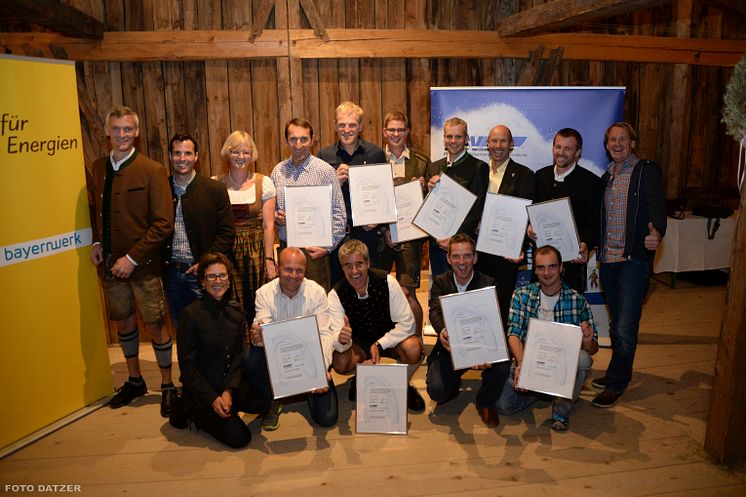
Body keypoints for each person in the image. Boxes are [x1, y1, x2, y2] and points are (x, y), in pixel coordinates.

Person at [86, 105, 175, 416]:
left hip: (143, 268)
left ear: (136, 132)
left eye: (127, 129)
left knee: (155, 325)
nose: (121, 135)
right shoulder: (98, 168)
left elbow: (163, 224)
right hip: (110, 266)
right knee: (123, 322)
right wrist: (97, 242)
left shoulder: (152, 170)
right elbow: (96, 212)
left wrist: (132, 259)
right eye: (116, 129)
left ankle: (167, 385)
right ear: (107, 131)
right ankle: (135, 380)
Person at [591, 122, 666, 408]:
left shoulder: (646, 170)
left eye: (622, 139)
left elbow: (657, 206)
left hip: (633, 260)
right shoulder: (606, 176)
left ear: (632, 142)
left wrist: (656, 232)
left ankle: (616, 383)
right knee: (616, 323)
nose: (617, 144)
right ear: (607, 145)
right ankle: (617, 371)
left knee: (624, 325)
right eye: (612, 140)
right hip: (608, 261)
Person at [496, 245, 599, 432]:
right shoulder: (522, 295)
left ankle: (561, 410)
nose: (546, 272)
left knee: (583, 358)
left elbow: (593, 348)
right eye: (541, 267)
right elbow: (513, 334)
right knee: (504, 407)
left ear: (561, 268)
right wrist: (521, 364)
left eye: (552, 266)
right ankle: (544, 392)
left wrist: (587, 340)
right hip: (530, 360)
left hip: (562, 366)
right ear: (535, 270)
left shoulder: (577, 300)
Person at [174, 252, 266, 448]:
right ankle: (189, 409)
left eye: (222, 275)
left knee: (262, 402)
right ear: (202, 281)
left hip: (225, 383)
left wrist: (228, 391)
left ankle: (227, 407)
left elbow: (236, 358)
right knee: (240, 438)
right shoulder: (190, 315)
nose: (218, 281)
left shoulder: (237, 313)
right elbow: (188, 369)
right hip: (201, 389)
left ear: (229, 280)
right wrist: (213, 399)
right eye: (211, 276)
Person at [242, 247, 338, 431]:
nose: (293, 275)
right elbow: (263, 335)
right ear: (278, 268)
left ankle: (305, 390)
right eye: (288, 269)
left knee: (327, 419)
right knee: (250, 357)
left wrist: (320, 371)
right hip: (280, 360)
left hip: (310, 361)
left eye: (299, 270)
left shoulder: (317, 292)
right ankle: (273, 397)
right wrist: (257, 337)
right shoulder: (263, 293)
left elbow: (325, 335)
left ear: (305, 270)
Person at [328, 239, 426, 412]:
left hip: (388, 338)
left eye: (359, 264)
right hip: (358, 344)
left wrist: (380, 344)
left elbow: (408, 323)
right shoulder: (336, 294)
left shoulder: (387, 281)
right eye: (348, 266)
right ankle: (361, 378)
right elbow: (337, 337)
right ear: (342, 268)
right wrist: (342, 340)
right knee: (341, 362)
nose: (354, 271)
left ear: (367, 263)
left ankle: (403, 385)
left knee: (413, 349)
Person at [426, 234, 511, 427]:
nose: (462, 262)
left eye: (466, 256)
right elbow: (435, 311)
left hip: (482, 345)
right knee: (438, 391)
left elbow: (496, 322)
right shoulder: (440, 281)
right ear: (448, 258)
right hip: (451, 347)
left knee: (503, 365)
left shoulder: (489, 283)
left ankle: (485, 401)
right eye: (456, 256)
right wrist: (442, 332)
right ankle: (452, 385)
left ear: (475, 257)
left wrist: (483, 350)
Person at [163, 133, 234, 327]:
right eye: (177, 153)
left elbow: (227, 232)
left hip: (203, 274)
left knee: (209, 327)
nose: (182, 159)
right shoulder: (161, 188)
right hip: (172, 274)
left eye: (187, 153)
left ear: (196, 157)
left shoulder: (214, 189)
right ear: (170, 156)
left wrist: (204, 263)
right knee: (182, 329)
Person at [271, 118, 346, 292]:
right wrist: (277, 218)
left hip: (314, 252)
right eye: (293, 139)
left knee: (317, 304)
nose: (298, 145)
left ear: (312, 140)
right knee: (287, 303)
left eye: (304, 139)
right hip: (286, 248)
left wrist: (327, 249)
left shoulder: (325, 171)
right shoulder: (278, 171)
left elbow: (339, 215)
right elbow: (271, 212)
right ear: (286, 141)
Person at [318, 101, 386, 283]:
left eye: (352, 125)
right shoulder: (324, 156)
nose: (346, 129)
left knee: (370, 285)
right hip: (337, 235)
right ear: (335, 126)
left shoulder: (376, 154)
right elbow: (318, 202)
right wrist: (335, 183)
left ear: (360, 126)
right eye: (341, 125)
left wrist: (377, 220)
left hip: (366, 233)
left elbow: (383, 195)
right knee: (338, 287)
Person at [215, 131, 276, 325]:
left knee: (258, 301)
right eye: (236, 152)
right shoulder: (215, 184)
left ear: (252, 154)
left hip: (256, 252)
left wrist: (269, 259)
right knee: (231, 302)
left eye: (246, 152)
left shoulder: (263, 183)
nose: (241, 157)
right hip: (228, 250)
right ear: (228, 153)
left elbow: (268, 225)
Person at [476, 124, 534, 324]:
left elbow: (527, 216)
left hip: (505, 254)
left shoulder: (524, 175)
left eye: (503, 141)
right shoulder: (479, 171)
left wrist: (520, 247)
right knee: (479, 306)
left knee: (501, 307)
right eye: (494, 141)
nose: (498, 146)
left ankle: (502, 354)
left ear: (512, 144)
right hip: (477, 253)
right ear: (487, 144)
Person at [530, 128, 601, 293]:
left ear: (578, 153)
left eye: (567, 149)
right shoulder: (540, 176)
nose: (561, 152)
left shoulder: (591, 182)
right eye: (558, 147)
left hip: (572, 263)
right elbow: (531, 212)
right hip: (542, 263)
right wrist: (529, 227)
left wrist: (585, 243)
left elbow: (595, 223)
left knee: (570, 314)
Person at [426, 117, 489, 276]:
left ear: (466, 139)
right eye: (449, 136)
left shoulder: (478, 167)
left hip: (461, 247)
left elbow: (476, 211)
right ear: (444, 138)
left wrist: (455, 240)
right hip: (436, 243)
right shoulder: (434, 166)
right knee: (440, 288)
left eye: (458, 137)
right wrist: (427, 190)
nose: (453, 141)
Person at [377, 110, 430, 290]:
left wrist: (423, 188)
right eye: (392, 130)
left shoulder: (422, 161)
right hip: (381, 236)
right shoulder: (374, 159)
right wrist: (385, 230)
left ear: (407, 131)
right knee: (378, 288)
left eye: (401, 130)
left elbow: (429, 201)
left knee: (408, 291)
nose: (396, 134)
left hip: (410, 236)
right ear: (384, 132)